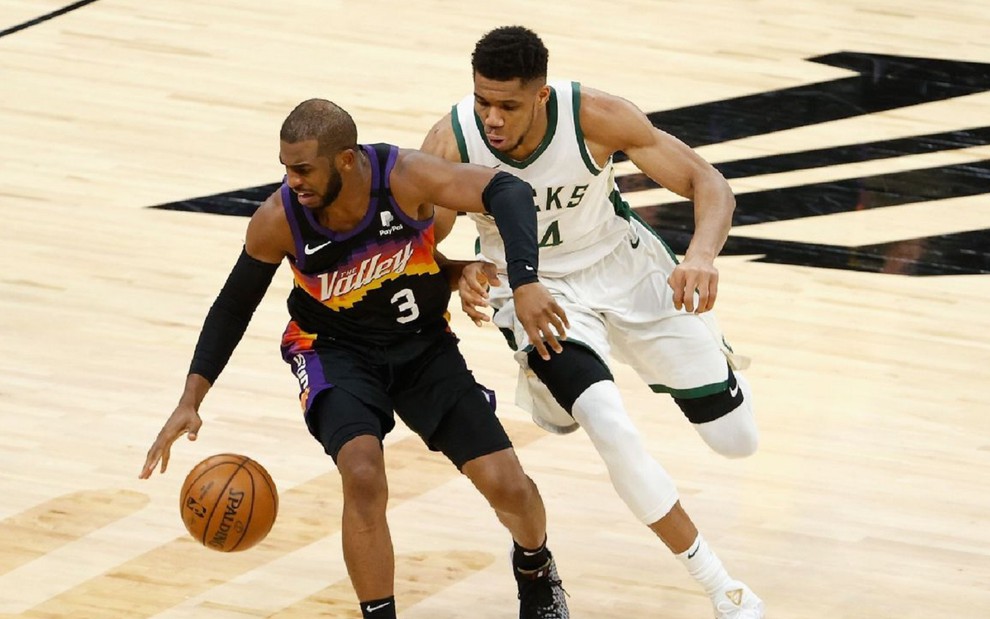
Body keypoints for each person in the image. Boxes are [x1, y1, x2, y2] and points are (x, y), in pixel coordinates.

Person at [140, 98, 572, 619]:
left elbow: (508, 190)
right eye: (285, 168)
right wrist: (192, 397)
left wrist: (520, 281)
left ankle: (536, 569)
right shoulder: (279, 219)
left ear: (345, 159)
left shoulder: (405, 177)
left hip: (423, 349)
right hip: (332, 352)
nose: (292, 181)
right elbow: (234, 305)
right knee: (363, 473)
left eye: (302, 169)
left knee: (508, 485)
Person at [421, 26, 765, 618]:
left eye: (507, 104)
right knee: (611, 427)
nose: (492, 118)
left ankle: (666, 371)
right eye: (483, 101)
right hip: (536, 296)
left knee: (737, 442)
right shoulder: (452, 142)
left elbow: (709, 183)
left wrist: (701, 257)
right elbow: (415, 241)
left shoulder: (597, 117)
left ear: (542, 97)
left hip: (626, 271)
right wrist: (456, 272)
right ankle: (721, 585)